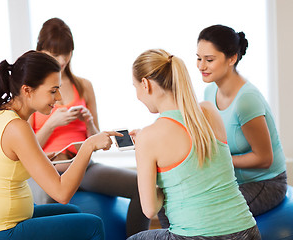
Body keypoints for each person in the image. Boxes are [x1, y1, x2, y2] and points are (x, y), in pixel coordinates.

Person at [0, 50, 122, 240]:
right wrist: (89, 146)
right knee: (93, 225)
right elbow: (62, 192)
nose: (59, 97)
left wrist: (37, 159)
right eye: (53, 90)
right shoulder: (17, 128)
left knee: (72, 211)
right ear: (27, 90)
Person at [28, 17, 150, 237]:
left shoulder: (83, 86)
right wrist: (52, 124)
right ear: (40, 51)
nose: (62, 59)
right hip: (50, 172)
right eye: (55, 53)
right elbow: (26, 149)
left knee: (140, 186)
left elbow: (98, 141)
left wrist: (89, 123)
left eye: (67, 52)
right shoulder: (30, 91)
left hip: (85, 166)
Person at [127, 49, 261, 239]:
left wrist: (145, 151)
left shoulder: (148, 138)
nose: (137, 96)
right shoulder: (208, 110)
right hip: (247, 231)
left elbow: (150, 210)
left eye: (135, 87)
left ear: (145, 84)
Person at [197, 24, 287, 217]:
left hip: (266, 183)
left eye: (209, 60)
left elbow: (264, 159)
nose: (201, 66)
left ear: (232, 58)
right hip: (233, 180)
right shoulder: (209, 91)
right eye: (198, 58)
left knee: (205, 214)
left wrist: (220, 159)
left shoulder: (246, 101)